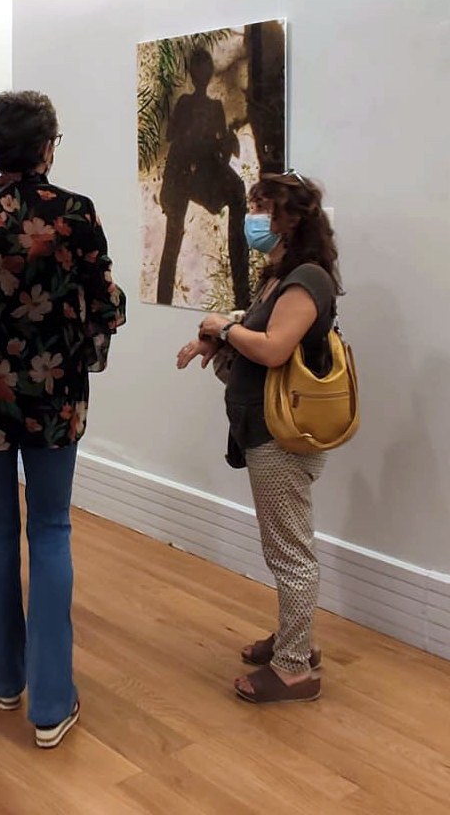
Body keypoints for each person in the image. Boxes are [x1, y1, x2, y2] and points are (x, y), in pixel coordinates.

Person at [0, 92, 126, 747]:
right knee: (51, 529)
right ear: (46, 147)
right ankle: (52, 703)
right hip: (54, 397)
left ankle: (3, 679)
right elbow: (107, 306)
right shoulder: (75, 213)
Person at [176, 170, 340, 704]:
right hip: (264, 426)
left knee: (289, 551)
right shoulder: (284, 274)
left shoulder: (307, 278)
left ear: (291, 217)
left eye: (260, 207)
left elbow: (272, 348)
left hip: (280, 433)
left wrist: (222, 328)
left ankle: (294, 669)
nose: (251, 218)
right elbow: (261, 326)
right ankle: (295, 639)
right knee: (284, 545)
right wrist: (218, 337)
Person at [157, 48, 251, 310]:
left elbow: (219, 154)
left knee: (238, 191)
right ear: (193, 73)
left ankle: (242, 295)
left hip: (204, 174)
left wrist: (227, 141)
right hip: (183, 175)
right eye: (198, 68)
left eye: (205, 68)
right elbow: (174, 139)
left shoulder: (215, 107)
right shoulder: (185, 103)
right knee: (172, 239)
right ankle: (163, 300)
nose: (202, 74)